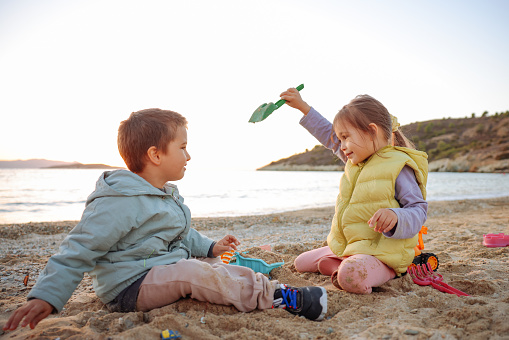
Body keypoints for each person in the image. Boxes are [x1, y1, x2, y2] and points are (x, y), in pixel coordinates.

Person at [3, 108, 327, 332]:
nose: (189, 155)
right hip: (130, 286)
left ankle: (271, 287)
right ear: (156, 155)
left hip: (161, 269)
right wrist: (47, 295)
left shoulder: (163, 194)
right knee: (192, 271)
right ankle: (281, 299)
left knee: (215, 267)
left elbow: (181, 234)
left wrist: (211, 246)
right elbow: (78, 249)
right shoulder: (119, 201)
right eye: (183, 147)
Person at [279, 88, 428, 294]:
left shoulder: (399, 166)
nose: (342, 145)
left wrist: (396, 216)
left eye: (346, 137)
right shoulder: (355, 160)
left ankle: (378, 272)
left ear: (371, 131)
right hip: (355, 246)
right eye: (340, 139)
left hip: (383, 253)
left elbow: (418, 209)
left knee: (351, 275)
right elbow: (328, 135)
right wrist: (302, 107)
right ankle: (340, 265)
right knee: (301, 262)